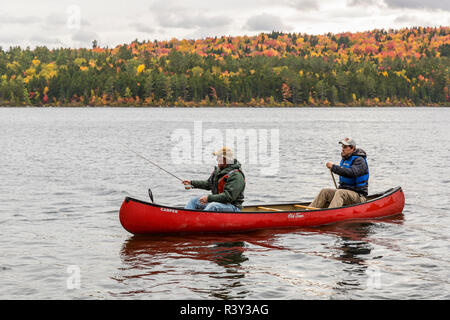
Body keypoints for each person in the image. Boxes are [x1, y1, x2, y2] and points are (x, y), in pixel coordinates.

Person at [310, 138, 369, 208]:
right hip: (345, 193)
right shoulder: (345, 159)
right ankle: (308, 212)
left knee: (340, 193)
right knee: (325, 191)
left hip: (359, 196)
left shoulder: (360, 160)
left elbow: (351, 172)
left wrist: (333, 167)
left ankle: (330, 214)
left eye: (345, 147)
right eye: (342, 146)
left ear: (352, 148)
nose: (342, 149)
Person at [183, 147, 245, 212]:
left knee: (213, 206)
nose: (217, 159)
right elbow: (208, 184)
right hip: (218, 203)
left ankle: (201, 220)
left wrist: (208, 198)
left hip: (233, 207)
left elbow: (229, 197)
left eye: (219, 157)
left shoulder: (236, 175)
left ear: (226, 159)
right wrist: (191, 183)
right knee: (194, 201)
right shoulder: (218, 171)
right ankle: (185, 218)